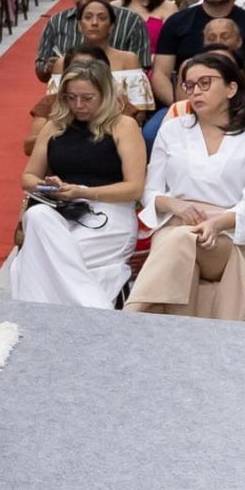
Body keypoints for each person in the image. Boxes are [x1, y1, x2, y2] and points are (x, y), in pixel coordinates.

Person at [127, 52, 245, 321]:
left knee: (182, 240)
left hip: (230, 233)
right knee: (184, 259)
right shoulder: (172, 130)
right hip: (176, 222)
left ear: (231, 88)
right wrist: (173, 204)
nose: (195, 91)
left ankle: (132, 315)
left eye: (205, 83)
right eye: (189, 85)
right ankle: (183, 341)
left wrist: (217, 224)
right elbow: (150, 192)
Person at [14, 60, 146, 308]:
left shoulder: (123, 126)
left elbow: (134, 187)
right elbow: (28, 177)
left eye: (88, 98)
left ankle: (51, 316)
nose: (79, 105)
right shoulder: (55, 126)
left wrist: (84, 192)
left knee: (39, 257)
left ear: (105, 95)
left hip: (109, 211)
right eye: (71, 97)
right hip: (62, 207)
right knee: (38, 215)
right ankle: (84, 312)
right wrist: (49, 187)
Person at [35, 0, 152, 82]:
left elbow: (142, 70)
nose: (84, 1)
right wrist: (48, 69)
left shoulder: (131, 21)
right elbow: (40, 68)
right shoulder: (57, 22)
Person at [45, 0, 153, 117]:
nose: (95, 23)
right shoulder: (63, 62)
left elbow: (139, 112)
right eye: (88, 17)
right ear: (80, 26)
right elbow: (54, 108)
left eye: (102, 18)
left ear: (112, 26)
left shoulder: (129, 60)